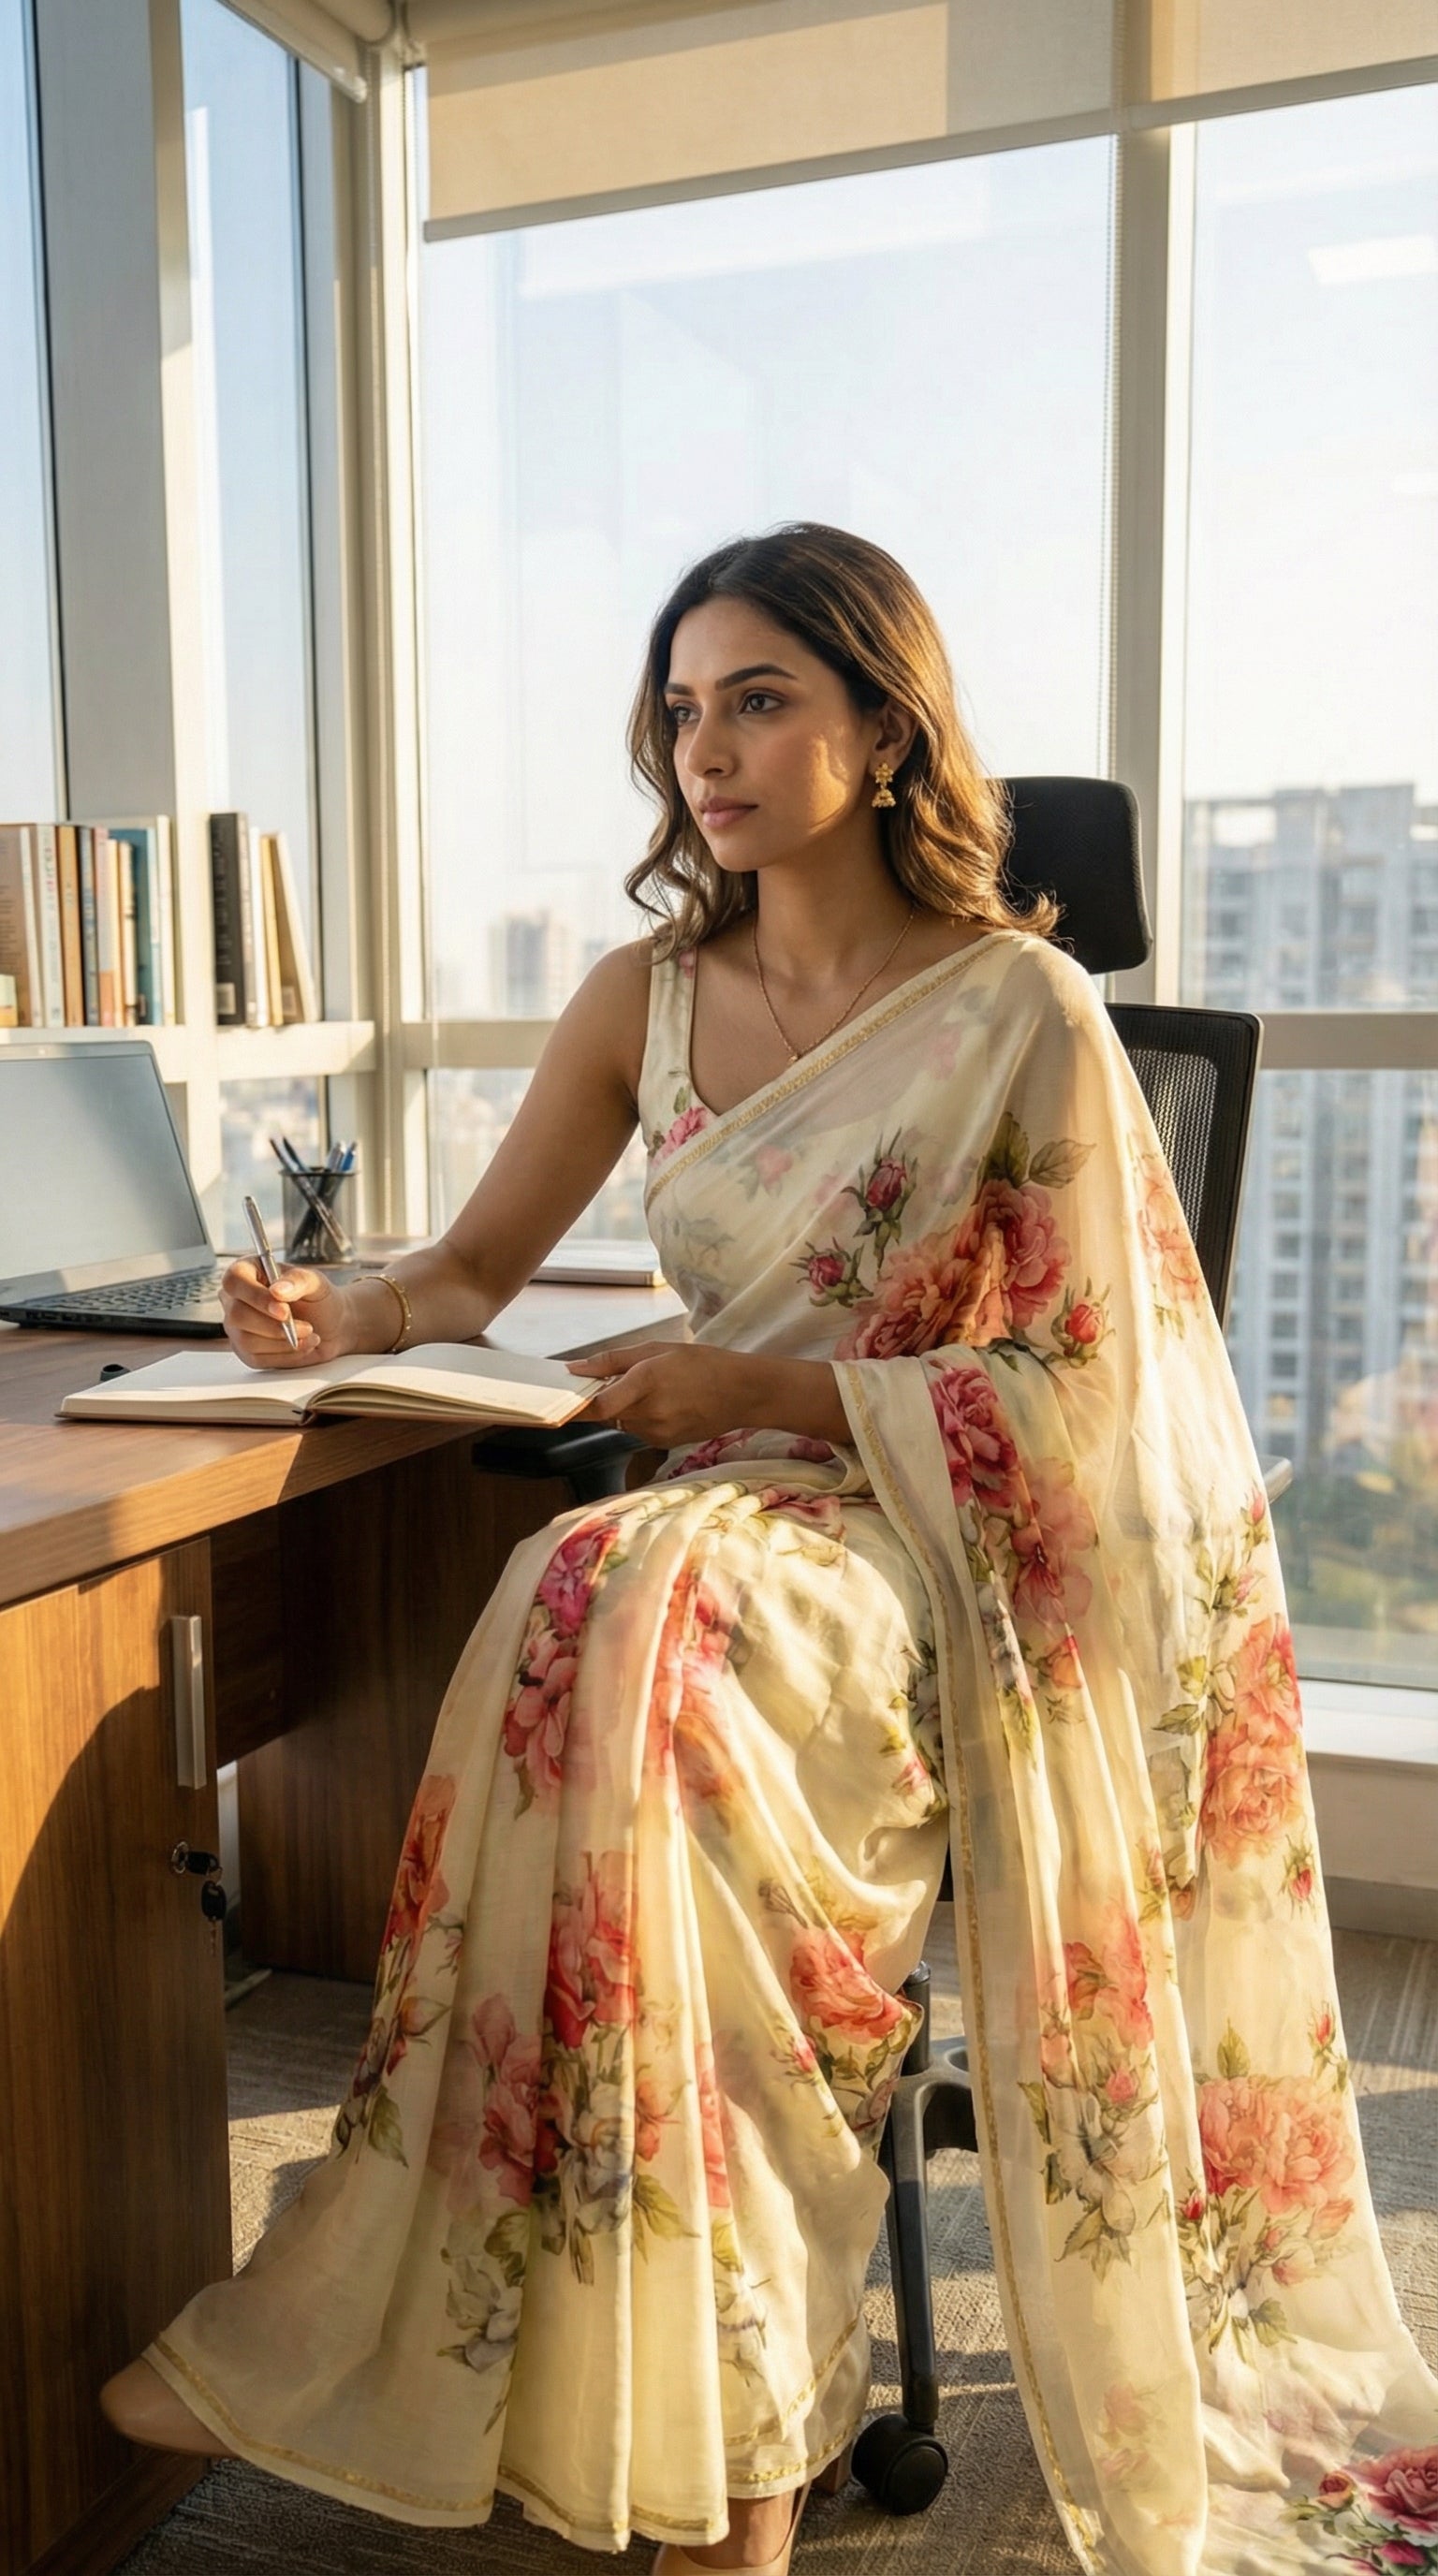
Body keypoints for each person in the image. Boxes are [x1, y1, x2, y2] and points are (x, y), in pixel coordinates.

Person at [103, 524, 1436, 2576]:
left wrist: (785, 1393)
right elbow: (469, 1262)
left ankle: (711, 2448)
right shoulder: (645, 991)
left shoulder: (1026, 1007)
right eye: (679, 704)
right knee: (609, 1611)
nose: (699, 747)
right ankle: (707, 2437)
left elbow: (1110, 1397)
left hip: (928, 1540)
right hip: (714, 1529)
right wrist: (327, 1318)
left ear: (886, 724)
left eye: (758, 698)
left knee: (638, 1614)